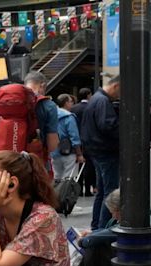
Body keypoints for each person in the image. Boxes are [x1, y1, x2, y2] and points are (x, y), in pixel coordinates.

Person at [81, 76, 121, 229]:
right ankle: (103, 227)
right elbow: (108, 125)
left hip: (96, 151)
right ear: (116, 86)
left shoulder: (96, 99)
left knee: (102, 191)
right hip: (106, 151)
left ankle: (97, 226)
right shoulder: (103, 102)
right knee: (109, 192)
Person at [24, 72, 59, 173]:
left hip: (10, 157)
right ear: (42, 85)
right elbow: (52, 145)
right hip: (36, 159)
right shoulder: (48, 105)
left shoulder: (12, 101)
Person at [51, 94, 84, 180]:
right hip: (68, 152)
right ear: (66, 103)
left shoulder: (51, 115)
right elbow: (74, 137)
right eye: (71, 102)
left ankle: (57, 193)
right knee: (68, 179)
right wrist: (79, 154)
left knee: (57, 177)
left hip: (54, 152)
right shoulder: (69, 117)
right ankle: (66, 193)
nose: (72, 104)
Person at [71, 88, 96, 197]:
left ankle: (79, 189)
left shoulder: (73, 108)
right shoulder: (91, 107)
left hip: (76, 139)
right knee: (89, 165)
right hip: (89, 139)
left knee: (78, 165)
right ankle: (88, 189)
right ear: (88, 95)